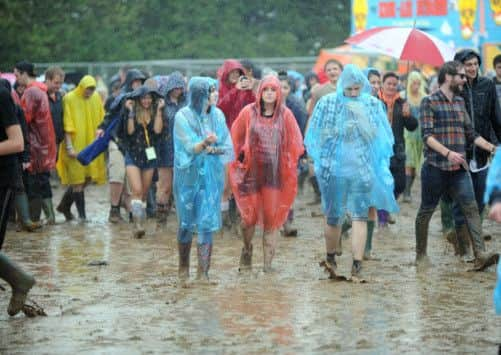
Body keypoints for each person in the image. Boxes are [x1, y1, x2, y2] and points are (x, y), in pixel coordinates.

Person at [305, 64, 398, 278]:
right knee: (333, 217)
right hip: (334, 171)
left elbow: (381, 138)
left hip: (362, 169)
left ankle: (357, 264)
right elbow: (315, 134)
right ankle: (330, 258)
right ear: (341, 86)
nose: (353, 93)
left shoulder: (372, 105)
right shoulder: (328, 103)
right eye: (349, 89)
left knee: (359, 215)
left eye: (357, 89)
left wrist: (362, 125)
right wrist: (338, 131)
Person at [415, 61, 498, 269]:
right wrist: (448, 153)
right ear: (448, 77)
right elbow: (427, 136)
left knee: (471, 208)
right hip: (435, 167)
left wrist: (492, 148)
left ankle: (480, 255)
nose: (464, 79)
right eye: (461, 76)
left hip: (459, 170)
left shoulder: (460, 103)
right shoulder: (429, 101)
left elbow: (471, 134)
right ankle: (421, 255)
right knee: (426, 210)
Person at [229, 75, 304, 272]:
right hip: (250, 174)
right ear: (259, 92)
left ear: (279, 93)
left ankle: (267, 266)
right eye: (266, 90)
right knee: (248, 219)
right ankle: (247, 249)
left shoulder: (285, 115)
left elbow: (295, 143)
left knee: (272, 220)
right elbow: (234, 139)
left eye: (273, 90)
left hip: (274, 175)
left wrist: (288, 165)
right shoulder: (248, 112)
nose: (269, 94)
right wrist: (237, 162)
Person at [173, 77, 233, 282]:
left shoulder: (218, 116)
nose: (215, 95)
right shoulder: (183, 116)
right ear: (200, 94)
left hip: (210, 179)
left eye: (215, 91)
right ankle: (183, 268)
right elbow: (188, 147)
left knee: (206, 224)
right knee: (186, 224)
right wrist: (205, 144)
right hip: (187, 178)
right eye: (211, 91)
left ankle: (203, 273)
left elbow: (226, 146)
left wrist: (211, 149)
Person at [450, 50, 501, 254]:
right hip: (459, 151)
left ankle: (468, 238)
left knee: (479, 198)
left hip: (482, 151)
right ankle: (464, 247)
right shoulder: (454, 88)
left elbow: (495, 117)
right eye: (467, 65)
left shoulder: (487, 85)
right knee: (461, 199)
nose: (471, 68)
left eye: (474, 64)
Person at [0, 78, 36, 316]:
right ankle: (20, 280)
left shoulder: (1, 96)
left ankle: (20, 280)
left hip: (3, 181)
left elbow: (17, 142)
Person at [95, 69, 146, 223]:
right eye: (135, 81)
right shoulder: (117, 99)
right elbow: (109, 116)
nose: (138, 84)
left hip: (135, 145)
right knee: (116, 175)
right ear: (129, 82)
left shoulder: (145, 99)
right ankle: (114, 209)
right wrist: (102, 128)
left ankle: (132, 211)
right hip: (117, 141)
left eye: (140, 82)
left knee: (132, 181)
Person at [56, 75, 106, 221]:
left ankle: (64, 206)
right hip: (74, 145)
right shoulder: (69, 99)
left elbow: (102, 117)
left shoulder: (96, 97)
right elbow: (67, 123)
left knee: (88, 178)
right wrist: (69, 146)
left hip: (91, 144)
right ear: (81, 86)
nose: (89, 92)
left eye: (92, 89)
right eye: (87, 89)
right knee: (77, 181)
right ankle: (82, 217)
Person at [14, 61, 57, 225]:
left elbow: (24, 119)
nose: (17, 79)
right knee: (42, 182)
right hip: (45, 144)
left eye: (17, 75)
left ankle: (33, 220)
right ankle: (48, 217)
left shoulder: (31, 92)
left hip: (35, 145)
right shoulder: (41, 90)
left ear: (25, 74)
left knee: (33, 184)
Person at [122, 86, 164, 237]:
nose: (146, 100)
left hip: (149, 156)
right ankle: (138, 224)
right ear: (138, 100)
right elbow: (130, 132)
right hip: (133, 155)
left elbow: (158, 131)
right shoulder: (131, 113)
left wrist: (159, 111)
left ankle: (140, 220)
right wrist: (131, 112)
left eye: (149, 97)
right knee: (137, 190)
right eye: (143, 98)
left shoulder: (155, 112)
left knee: (144, 193)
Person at [156, 72, 187, 226]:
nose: (177, 90)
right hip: (165, 148)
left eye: (180, 87)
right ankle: (161, 221)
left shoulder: (186, 103)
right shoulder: (162, 104)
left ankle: (183, 220)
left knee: (182, 186)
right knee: (165, 186)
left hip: (184, 149)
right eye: (174, 87)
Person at [402, 71, 427, 203]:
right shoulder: (404, 97)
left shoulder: (425, 98)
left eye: (418, 83)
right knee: (408, 164)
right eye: (413, 83)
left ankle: (408, 190)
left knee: (417, 166)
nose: (416, 86)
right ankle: (406, 192)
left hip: (421, 137)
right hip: (407, 136)